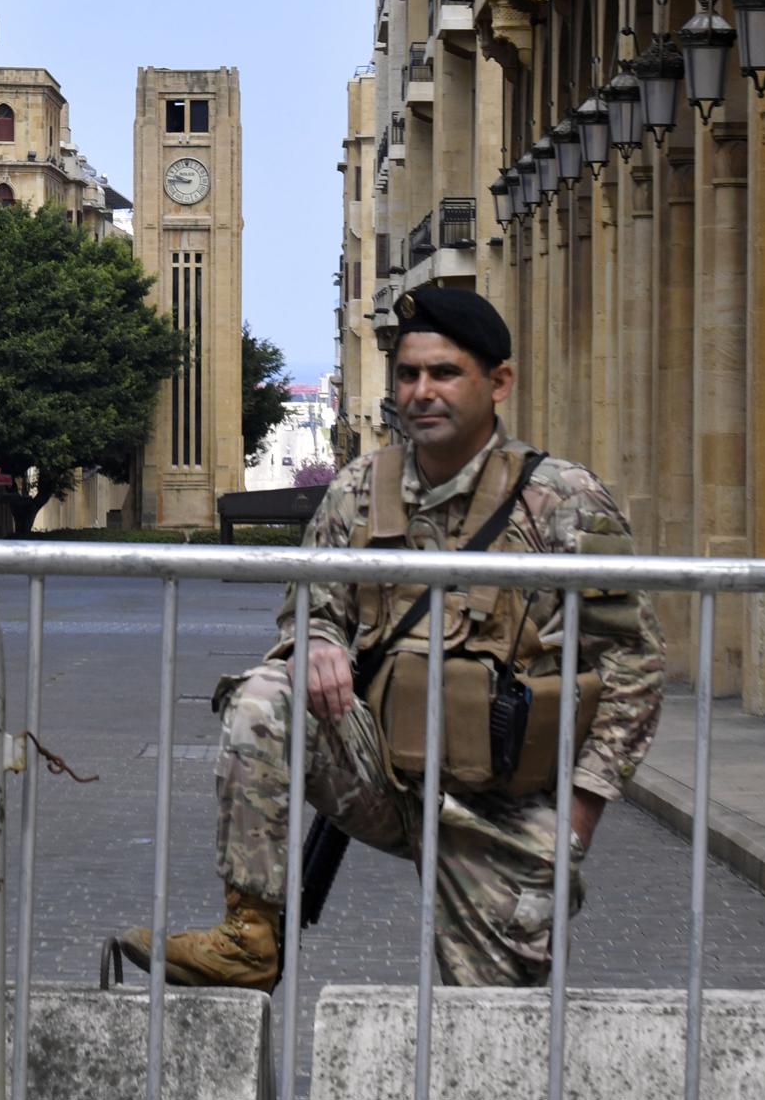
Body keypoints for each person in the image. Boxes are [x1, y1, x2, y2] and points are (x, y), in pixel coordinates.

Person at [119, 285, 665, 990]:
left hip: (504, 802)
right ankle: (250, 935)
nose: (421, 392)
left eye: (444, 373)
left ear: (497, 382)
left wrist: (581, 816)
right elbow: (310, 607)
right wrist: (315, 641)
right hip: (379, 770)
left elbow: (632, 664)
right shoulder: (356, 491)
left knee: (494, 1026)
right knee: (262, 697)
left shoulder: (562, 500)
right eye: (408, 375)